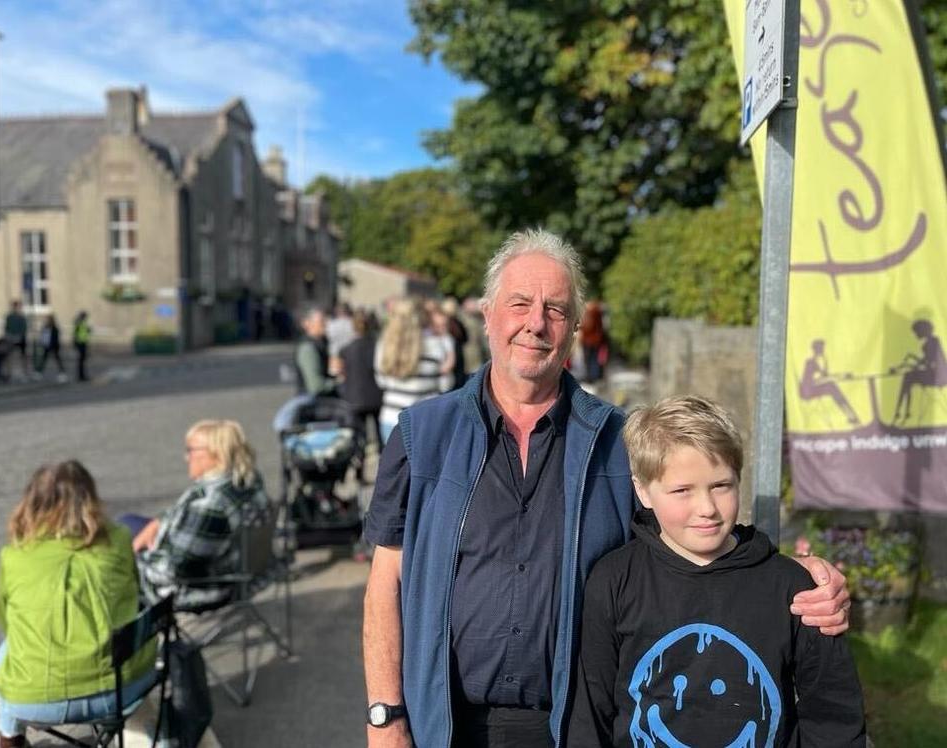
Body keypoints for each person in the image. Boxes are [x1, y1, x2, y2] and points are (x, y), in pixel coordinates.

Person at [362, 229, 850, 748]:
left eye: (555, 309)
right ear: (487, 314)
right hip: (444, 723)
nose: (535, 323)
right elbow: (384, 585)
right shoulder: (422, 436)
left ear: (574, 327)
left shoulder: (617, 441)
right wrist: (385, 717)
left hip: (570, 727)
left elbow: (687, 536)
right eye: (520, 303)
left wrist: (795, 577)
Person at [567, 395, 865, 747]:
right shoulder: (614, 581)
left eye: (721, 485)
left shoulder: (795, 590)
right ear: (643, 490)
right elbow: (590, 713)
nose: (706, 508)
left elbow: (833, 716)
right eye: (682, 491)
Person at [0, 461, 157, 748]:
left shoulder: (14, 554)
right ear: (89, 499)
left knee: (9, 650)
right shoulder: (118, 539)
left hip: (34, 701)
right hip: (121, 690)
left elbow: (5, 619)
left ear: (31, 502)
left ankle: (10, 738)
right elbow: (135, 594)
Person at [128, 419, 272, 609]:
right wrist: (156, 525)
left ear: (217, 454)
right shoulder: (247, 479)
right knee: (129, 523)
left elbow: (172, 571)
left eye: (191, 450)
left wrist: (130, 560)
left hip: (200, 587)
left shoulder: (209, 506)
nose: (186, 457)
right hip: (238, 568)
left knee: (106, 553)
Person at [373, 297, 450, 445]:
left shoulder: (384, 347)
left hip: (391, 418)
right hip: (427, 419)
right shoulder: (435, 345)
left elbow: (381, 382)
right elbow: (444, 386)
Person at [338, 309, 384, 450]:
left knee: (359, 438)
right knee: (380, 436)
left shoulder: (345, 349)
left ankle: (359, 468)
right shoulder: (378, 346)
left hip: (355, 396)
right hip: (376, 395)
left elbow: (341, 373)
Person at [892, 319, 947, 423]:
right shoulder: (932, 342)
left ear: (922, 331)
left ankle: (901, 412)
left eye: (916, 332)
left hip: (938, 377)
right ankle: (905, 412)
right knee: (908, 377)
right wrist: (909, 364)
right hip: (939, 375)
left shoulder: (931, 343)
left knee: (908, 377)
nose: (915, 335)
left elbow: (929, 363)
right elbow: (924, 362)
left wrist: (912, 366)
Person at [798, 339, 859, 425]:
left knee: (832, 387)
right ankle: (851, 415)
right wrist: (836, 377)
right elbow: (816, 381)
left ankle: (851, 415)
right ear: (815, 349)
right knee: (832, 387)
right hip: (807, 392)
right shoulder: (810, 362)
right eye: (820, 348)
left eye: (822, 348)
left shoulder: (822, 360)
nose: (822, 350)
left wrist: (842, 375)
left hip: (815, 389)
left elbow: (825, 376)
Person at [295, 307, 336, 396]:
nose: (326, 324)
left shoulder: (324, 342)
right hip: (313, 401)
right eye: (321, 321)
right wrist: (339, 383)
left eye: (326, 320)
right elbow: (316, 386)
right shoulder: (307, 348)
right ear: (307, 324)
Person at [578, 300, 607, 384]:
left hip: (587, 340)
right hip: (596, 340)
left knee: (588, 359)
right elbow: (601, 327)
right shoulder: (598, 312)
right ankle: (595, 376)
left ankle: (590, 377)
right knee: (594, 359)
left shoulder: (589, 312)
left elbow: (585, 326)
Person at [36, 314, 68, 382]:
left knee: (57, 360)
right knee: (44, 359)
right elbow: (42, 336)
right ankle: (39, 372)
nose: (47, 321)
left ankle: (62, 373)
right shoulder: (45, 327)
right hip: (46, 346)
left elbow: (56, 338)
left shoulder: (54, 328)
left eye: (48, 319)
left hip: (54, 346)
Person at [3, 300, 29, 381]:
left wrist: (19, 336)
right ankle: (10, 374)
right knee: (10, 357)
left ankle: (24, 374)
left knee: (22, 357)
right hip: (11, 338)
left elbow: (24, 328)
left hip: (20, 339)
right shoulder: (9, 317)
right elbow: (7, 328)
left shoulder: (21, 317)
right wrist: (9, 336)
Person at [72, 310, 91, 382]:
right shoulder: (79, 323)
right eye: (85, 316)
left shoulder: (82, 323)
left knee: (82, 360)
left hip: (83, 343)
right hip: (80, 343)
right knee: (81, 361)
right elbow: (75, 334)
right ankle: (80, 376)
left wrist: (88, 330)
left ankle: (82, 375)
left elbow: (84, 332)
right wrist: (75, 344)